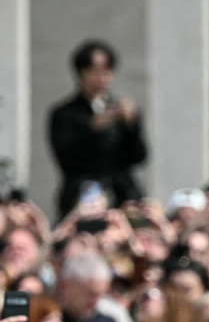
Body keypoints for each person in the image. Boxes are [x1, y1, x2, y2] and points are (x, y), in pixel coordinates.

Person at [48, 39, 148, 217]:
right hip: (83, 189)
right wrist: (92, 129)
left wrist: (130, 125)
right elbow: (65, 159)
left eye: (107, 71)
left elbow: (138, 156)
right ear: (81, 73)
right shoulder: (65, 113)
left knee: (140, 226)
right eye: (95, 71)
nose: (102, 77)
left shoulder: (122, 109)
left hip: (122, 191)